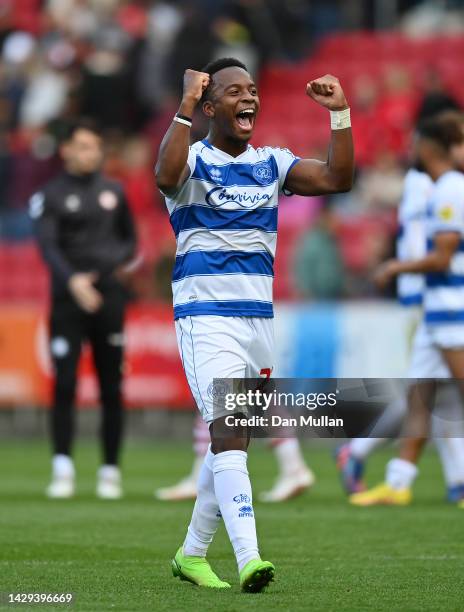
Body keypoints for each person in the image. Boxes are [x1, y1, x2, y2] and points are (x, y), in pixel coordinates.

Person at [155, 57, 353, 591]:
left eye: (254, 89)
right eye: (234, 90)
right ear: (211, 104)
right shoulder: (191, 159)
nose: (250, 98)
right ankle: (249, 559)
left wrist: (340, 116)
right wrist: (183, 108)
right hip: (205, 317)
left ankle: (191, 555)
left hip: (258, 321)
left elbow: (337, 178)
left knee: (234, 440)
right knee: (226, 429)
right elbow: (164, 177)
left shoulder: (273, 163)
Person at [349, 113, 464, 507]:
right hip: (436, 314)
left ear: (428, 146)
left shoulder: (450, 188)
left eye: (416, 143)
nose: (411, 149)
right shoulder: (439, 187)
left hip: (453, 310)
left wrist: (396, 266)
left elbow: (444, 257)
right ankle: (399, 483)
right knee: (420, 399)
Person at [30, 119, 137, 500]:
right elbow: (47, 245)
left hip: (107, 297)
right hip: (66, 301)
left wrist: (98, 274)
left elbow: (130, 242)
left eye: (95, 147)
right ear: (67, 151)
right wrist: (73, 281)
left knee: (112, 386)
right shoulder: (50, 195)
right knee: (65, 384)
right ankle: (63, 467)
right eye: (84, 146)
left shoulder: (114, 191)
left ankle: (110, 470)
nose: (91, 153)